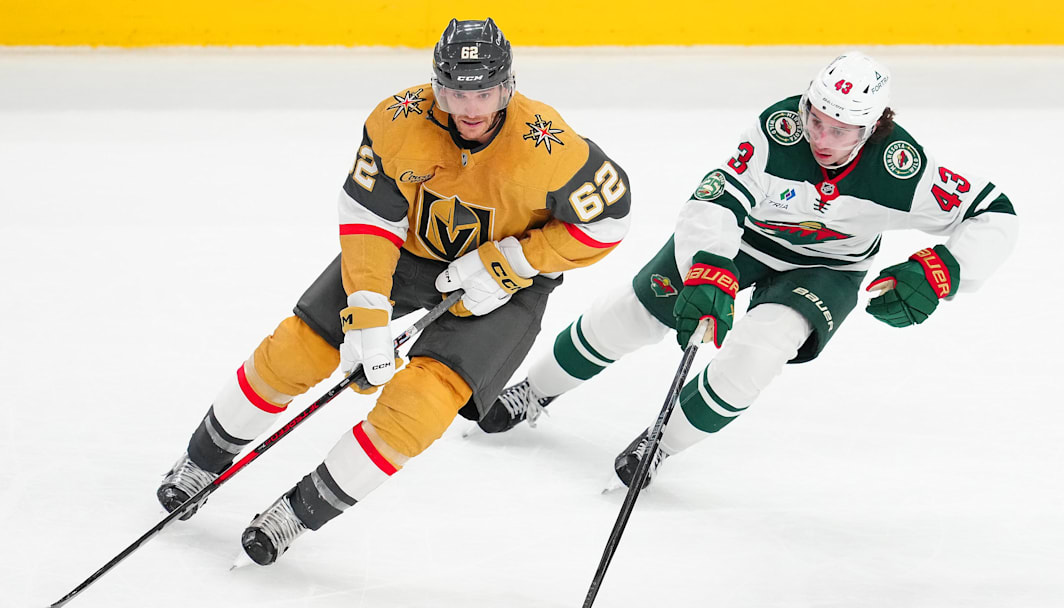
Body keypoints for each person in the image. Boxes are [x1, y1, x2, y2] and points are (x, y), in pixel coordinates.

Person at [156, 17, 631, 565]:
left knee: (421, 405)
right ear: (436, 85)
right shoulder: (396, 120)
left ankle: (295, 514)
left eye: (484, 91)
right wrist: (366, 311)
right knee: (297, 350)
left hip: (509, 284)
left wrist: (514, 261)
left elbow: (608, 220)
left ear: (508, 86)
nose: (470, 108)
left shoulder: (548, 144)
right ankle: (200, 461)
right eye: (456, 91)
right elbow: (369, 219)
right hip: (409, 252)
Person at [477, 51, 1018, 489]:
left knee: (760, 350)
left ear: (874, 127)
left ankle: (661, 442)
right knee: (634, 314)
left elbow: (996, 213)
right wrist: (709, 264)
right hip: (744, 240)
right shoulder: (779, 129)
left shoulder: (902, 170)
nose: (821, 139)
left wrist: (943, 268)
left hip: (827, 266)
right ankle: (536, 390)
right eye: (817, 119)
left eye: (840, 131)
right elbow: (714, 199)